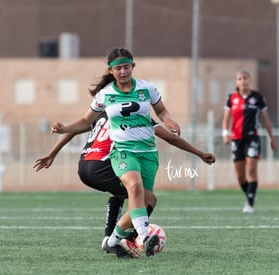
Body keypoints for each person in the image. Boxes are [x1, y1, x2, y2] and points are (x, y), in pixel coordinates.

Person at [50, 47, 181, 258]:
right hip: (111, 157)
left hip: (106, 161)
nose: (123, 71)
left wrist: (169, 120)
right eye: (118, 68)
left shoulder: (145, 91)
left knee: (137, 195)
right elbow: (84, 122)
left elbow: (83, 126)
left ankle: (113, 240)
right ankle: (139, 237)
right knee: (137, 191)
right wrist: (63, 130)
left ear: (133, 67)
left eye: (126, 67)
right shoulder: (106, 98)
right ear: (111, 71)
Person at [34, 111, 215, 257]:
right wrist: (199, 153)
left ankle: (112, 237)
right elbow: (172, 138)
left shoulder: (103, 112)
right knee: (147, 198)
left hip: (84, 167)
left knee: (122, 193)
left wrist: (52, 153)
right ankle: (125, 239)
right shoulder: (138, 116)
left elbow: (74, 130)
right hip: (103, 164)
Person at [222, 70, 277, 214]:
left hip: (252, 138)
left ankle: (250, 204)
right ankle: (250, 194)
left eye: (245, 78)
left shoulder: (258, 97)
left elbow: (265, 119)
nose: (243, 81)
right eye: (239, 79)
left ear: (250, 80)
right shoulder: (231, 98)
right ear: (236, 82)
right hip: (236, 139)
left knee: (251, 171)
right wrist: (225, 133)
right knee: (240, 176)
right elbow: (226, 118)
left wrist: (272, 138)